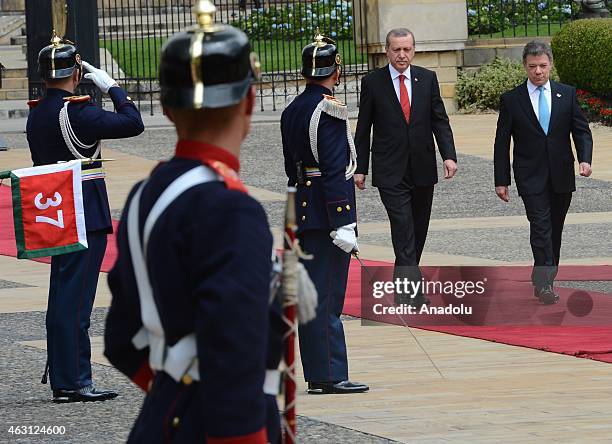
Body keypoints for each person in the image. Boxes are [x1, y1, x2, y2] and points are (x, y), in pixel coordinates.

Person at [104, 3, 282, 442]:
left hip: (165, 415)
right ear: (250, 100)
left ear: (165, 108)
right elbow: (234, 354)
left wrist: (176, 386)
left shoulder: (148, 192)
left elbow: (121, 337)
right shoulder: (231, 209)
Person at [26, 33, 144, 403]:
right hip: (81, 210)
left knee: (63, 294)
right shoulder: (76, 112)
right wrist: (113, 87)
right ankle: (74, 379)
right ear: (77, 71)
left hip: (54, 210)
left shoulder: (38, 112)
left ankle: (64, 374)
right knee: (75, 300)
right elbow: (133, 122)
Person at [281, 32, 368, 395]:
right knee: (328, 296)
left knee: (312, 295)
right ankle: (331, 374)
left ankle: (319, 373)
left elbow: (293, 168)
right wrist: (343, 219)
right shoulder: (329, 109)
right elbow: (334, 169)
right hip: (326, 212)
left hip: (302, 208)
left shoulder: (292, 109)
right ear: (336, 69)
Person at [354, 28, 458, 306]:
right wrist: (360, 167)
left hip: (423, 167)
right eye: (396, 49)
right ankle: (411, 291)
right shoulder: (373, 83)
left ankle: (403, 283)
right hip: (390, 169)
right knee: (403, 228)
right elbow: (363, 129)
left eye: (407, 49)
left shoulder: (427, 78)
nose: (402, 55)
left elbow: (439, 120)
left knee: (418, 228)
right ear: (387, 51)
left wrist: (449, 155)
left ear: (414, 50)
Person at [493, 40, 593, 304]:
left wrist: (585, 159)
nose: (538, 71)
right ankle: (545, 283)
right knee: (540, 227)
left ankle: (545, 278)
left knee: (555, 229)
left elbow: (581, 130)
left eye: (543, 66)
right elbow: (502, 142)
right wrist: (501, 180)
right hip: (530, 175)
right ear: (525, 67)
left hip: (561, 174)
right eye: (532, 66)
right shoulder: (512, 100)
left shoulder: (566, 94)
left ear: (550, 65)